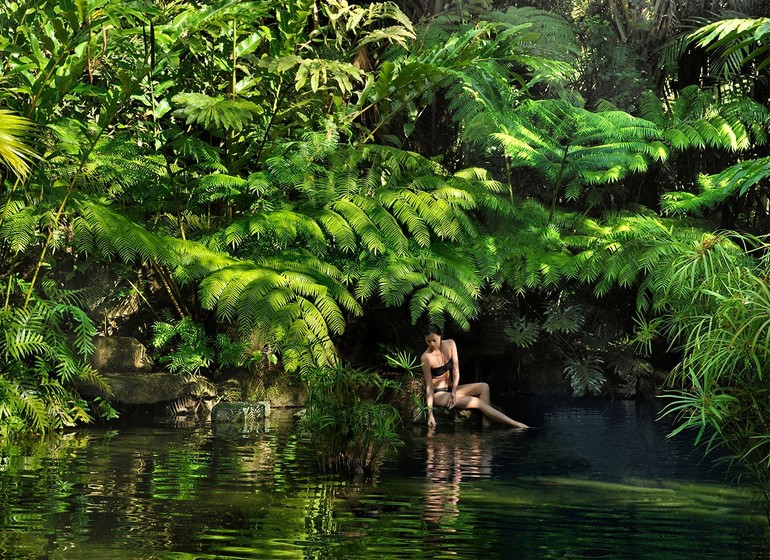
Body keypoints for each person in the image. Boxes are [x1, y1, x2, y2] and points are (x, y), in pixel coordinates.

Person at [420, 324, 529, 429]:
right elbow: (429, 387)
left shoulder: (450, 344)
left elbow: (455, 370)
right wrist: (430, 414)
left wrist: (454, 391)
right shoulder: (426, 358)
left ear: (440, 336)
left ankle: (485, 425)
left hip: (451, 388)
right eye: (428, 341)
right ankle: (515, 424)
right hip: (439, 394)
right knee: (477, 402)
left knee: (484, 387)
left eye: (434, 340)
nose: (432, 344)